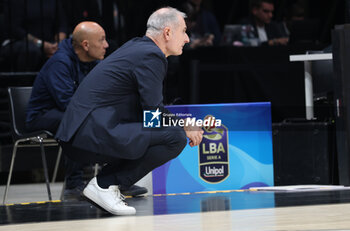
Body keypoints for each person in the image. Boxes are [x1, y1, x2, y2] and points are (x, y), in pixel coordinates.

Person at [55, 7, 204, 215]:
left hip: (84, 130)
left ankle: (109, 184)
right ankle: (105, 185)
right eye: (184, 31)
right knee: (175, 137)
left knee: (162, 132)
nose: (187, 39)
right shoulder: (152, 56)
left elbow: (149, 113)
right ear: (168, 32)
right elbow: (153, 114)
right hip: (88, 133)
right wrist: (185, 125)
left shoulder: (139, 47)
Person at [25, 21, 147, 200]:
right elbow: (66, 103)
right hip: (42, 115)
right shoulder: (59, 63)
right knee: (78, 122)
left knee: (113, 118)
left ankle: (116, 180)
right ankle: (73, 185)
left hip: (70, 111)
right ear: (85, 45)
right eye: (102, 40)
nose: (106, 45)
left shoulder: (92, 62)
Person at [0, 0, 67, 71]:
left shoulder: (54, 2)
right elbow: (15, 29)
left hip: (50, 43)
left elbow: (63, 25)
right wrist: (40, 44)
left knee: (67, 49)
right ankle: (24, 81)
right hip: (20, 42)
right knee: (31, 50)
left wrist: (59, 43)